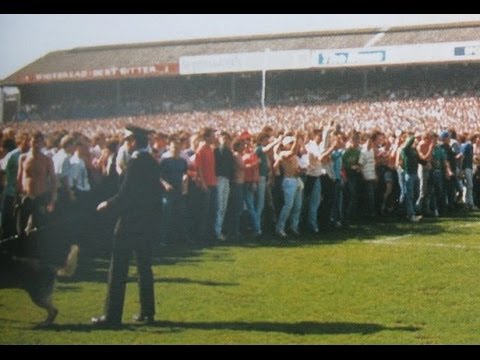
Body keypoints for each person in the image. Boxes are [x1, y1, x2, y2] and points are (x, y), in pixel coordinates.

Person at [92, 125, 161, 327]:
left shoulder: (135, 162)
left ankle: (112, 315)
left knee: (118, 268)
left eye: (127, 141)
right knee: (144, 268)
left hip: (130, 221)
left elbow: (126, 193)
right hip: (147, 222)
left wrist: (108, 204)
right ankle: (147, 312)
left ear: (132, 141)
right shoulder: (152, 162)